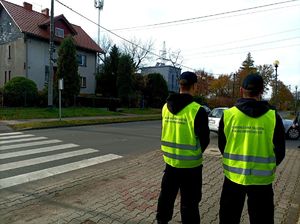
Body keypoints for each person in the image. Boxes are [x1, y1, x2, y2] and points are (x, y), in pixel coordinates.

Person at [218, 73, 286, 224]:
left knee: (228, 219)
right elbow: (280, 152)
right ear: (261, 91)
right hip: (262, 182)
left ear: (241, 90)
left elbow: (222, 146)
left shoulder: (228, 115)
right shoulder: (273, 117)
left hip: (233, 178)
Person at [156, 71, 210, 224]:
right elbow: (205, 140)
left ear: (180, 85)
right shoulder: (197, 110)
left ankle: (162, 221)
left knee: (166, 198)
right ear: (194, 86)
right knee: (190, 204)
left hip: (170, 163)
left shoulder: (165, 107)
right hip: (191, 167)